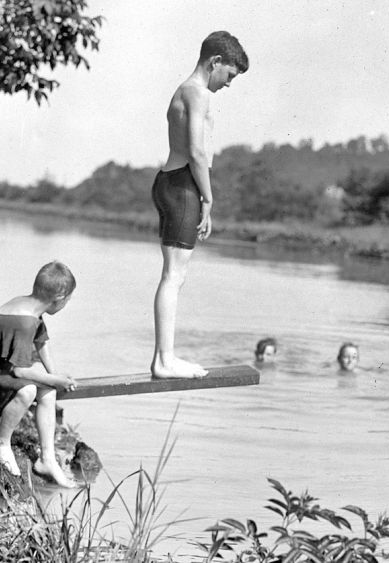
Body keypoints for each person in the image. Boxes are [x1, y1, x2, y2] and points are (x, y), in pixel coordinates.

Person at [150, 31, 249, 379]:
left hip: (169, 182)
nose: (229, 84)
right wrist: (209, 198)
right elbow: (196, 151)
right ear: (215, 62)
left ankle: (165, 358)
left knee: (172, 275)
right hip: (183, 187)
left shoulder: (182, 91)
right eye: (230, 75)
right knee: (174, 276)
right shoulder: (199, 94)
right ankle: (165, 361)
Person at [0, 261, 79, 488]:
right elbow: (20, 371)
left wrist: (55, 376)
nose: (67, 303)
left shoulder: (30, 307)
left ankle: (47, 458)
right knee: (29, 389)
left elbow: (41, 341)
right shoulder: (23, 321)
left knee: (48, 389)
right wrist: (56, 380)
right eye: (69, 299)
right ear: (60, 297)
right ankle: (1, 442)